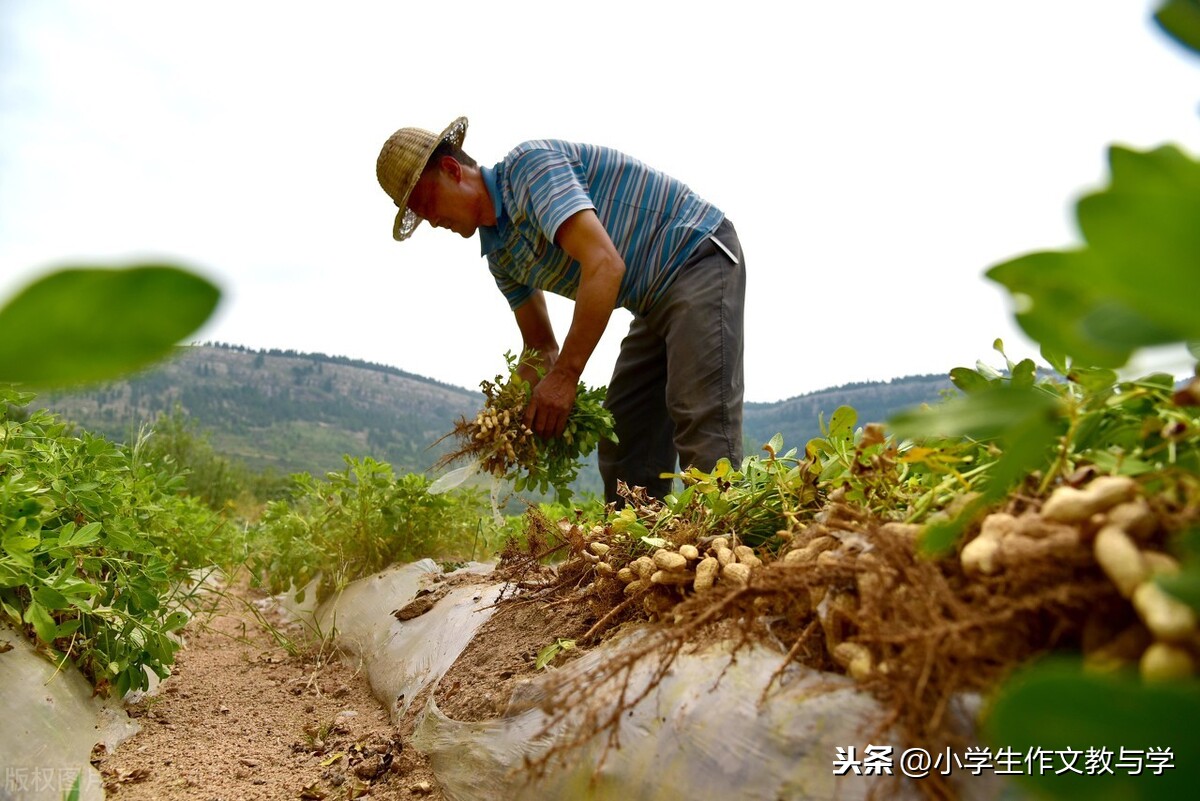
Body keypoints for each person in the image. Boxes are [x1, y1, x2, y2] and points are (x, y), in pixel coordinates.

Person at [376, 116, 745, 504]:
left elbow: (605, 264)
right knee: (626, 434)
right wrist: (510, 414)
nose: (433, 223)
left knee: (699, 415)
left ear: (452, 170)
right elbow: (540, 348)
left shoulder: (529, 169)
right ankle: (646, 552)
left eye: (427, 205)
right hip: (651, 301)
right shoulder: (500, 255)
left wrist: (566, 376)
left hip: (696, 256)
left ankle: (726, 540)